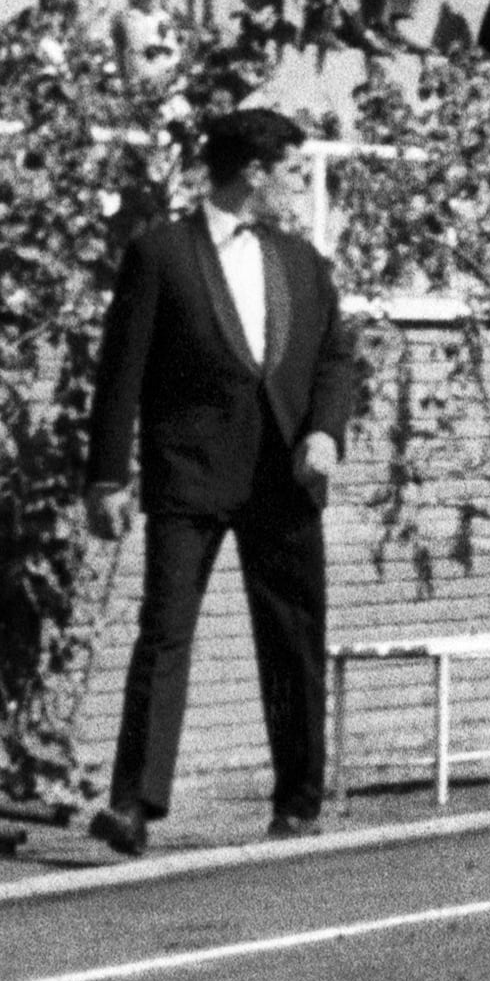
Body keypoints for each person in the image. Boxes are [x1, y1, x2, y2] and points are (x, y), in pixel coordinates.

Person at [82, 106, 363, 859]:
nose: (302, 185)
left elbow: (338, 359)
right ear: (255, 173)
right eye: (295, 172)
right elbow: (122, 372)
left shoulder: (305, 263)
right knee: (165, 633)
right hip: (191, 474)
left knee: (294, 638)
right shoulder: (161, 254)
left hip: (284, 474)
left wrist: (326, 433)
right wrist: (108, 475)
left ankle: (299, 801)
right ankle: (133, 806)